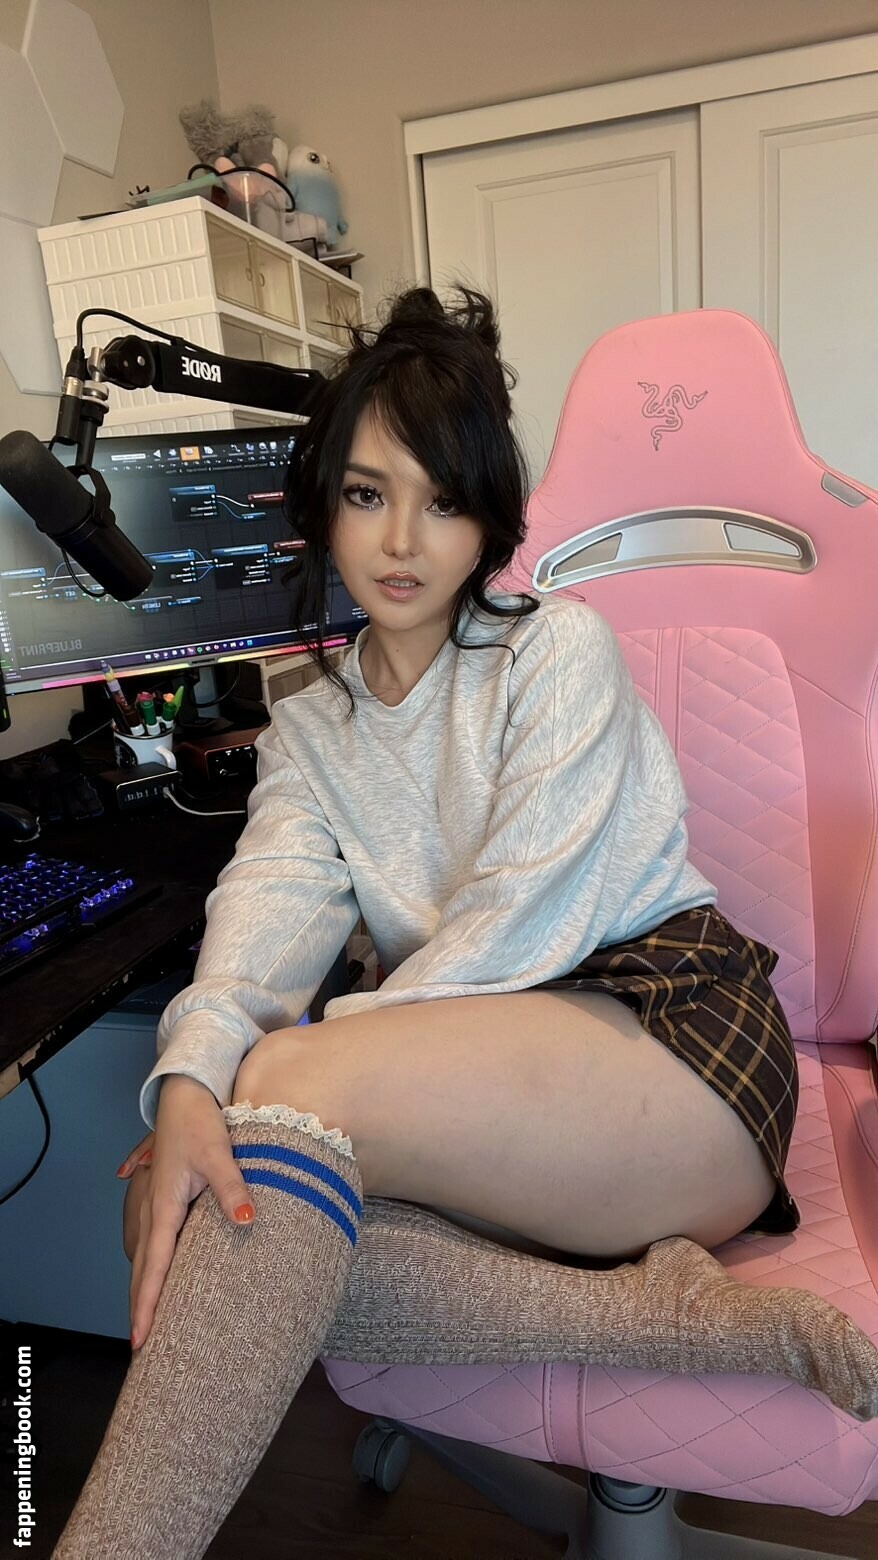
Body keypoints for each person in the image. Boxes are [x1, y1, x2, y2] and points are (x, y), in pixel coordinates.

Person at [53, 287, 878, 1559]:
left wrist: (281, 1078)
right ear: (320, 503)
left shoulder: (558, 652)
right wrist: (189, 1086)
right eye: (367, 493)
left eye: (442, 502)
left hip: (677, 1047)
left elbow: (514, 924)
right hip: (501, 1083)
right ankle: (664, 1321)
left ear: (489, 520)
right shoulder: (309, 732)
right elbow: (257, 926)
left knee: (275, 1111)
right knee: (227, 1190)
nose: (401, 541)